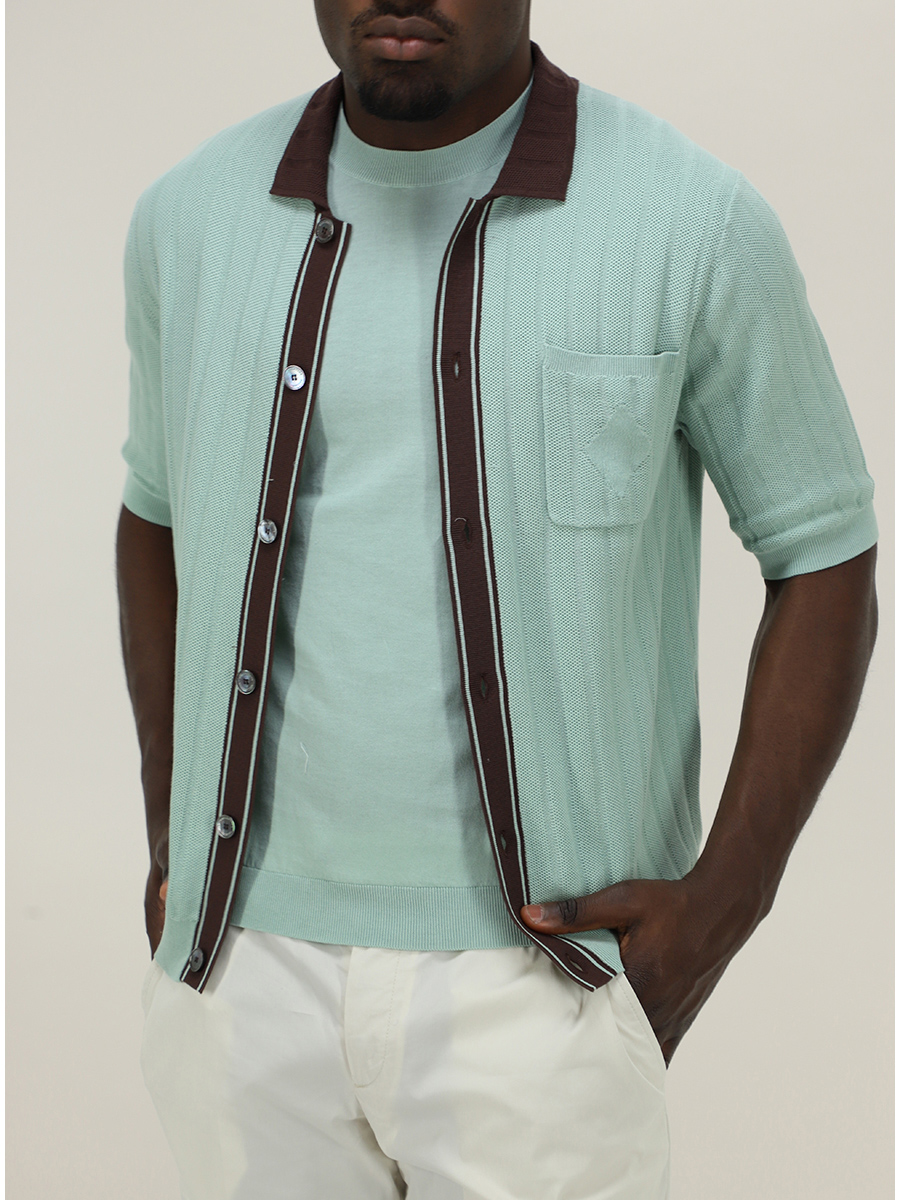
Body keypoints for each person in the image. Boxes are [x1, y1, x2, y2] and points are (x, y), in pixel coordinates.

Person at [116, 2, 878, 1197]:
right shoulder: (189, 216)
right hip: (242, 976)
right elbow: (155, 513)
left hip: (542, 979)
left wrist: (727, 899)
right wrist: (174, 834)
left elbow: (823, 551)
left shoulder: (692, 218)